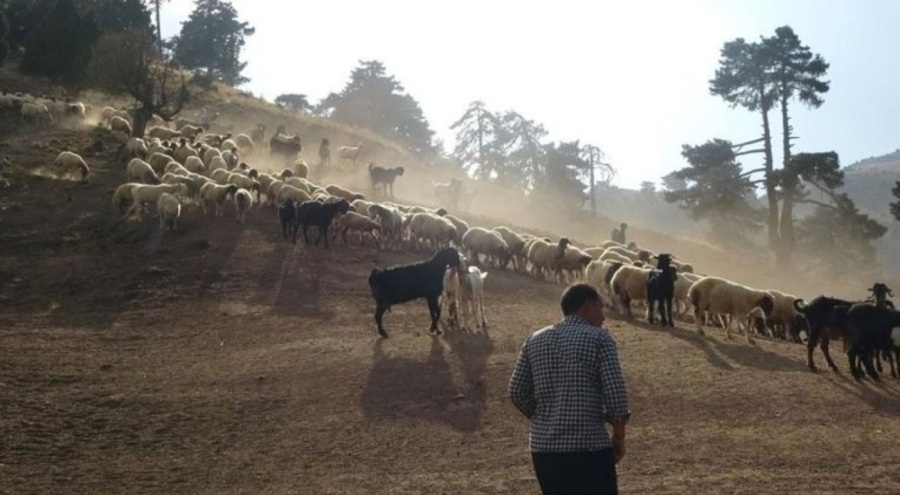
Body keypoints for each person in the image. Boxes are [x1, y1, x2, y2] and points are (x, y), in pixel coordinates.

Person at [508, 283, 630, 495]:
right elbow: (615, 393)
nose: (603, 317)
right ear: (587, 306)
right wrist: (618, 437)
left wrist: (542, 416)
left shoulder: (535, 339)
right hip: (588, 446)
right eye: (600, 308)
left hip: (543, 449)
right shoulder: (599, 338)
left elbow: (516, 391)